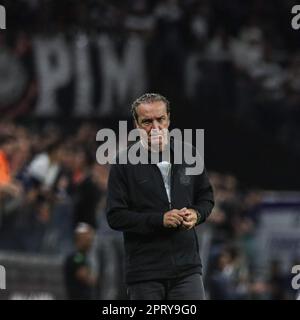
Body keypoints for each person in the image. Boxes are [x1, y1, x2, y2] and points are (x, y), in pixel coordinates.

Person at [106, 93, 214, 300]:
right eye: (147, 121)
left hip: (187, 270)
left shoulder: (189, 155)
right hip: (145, 273)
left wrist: (196, 214)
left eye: (160, 119)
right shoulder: (123, 164)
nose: (155, 127)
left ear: (169, 119)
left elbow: (206, 198)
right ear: (136, 124)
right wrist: (160, 220)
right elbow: (115, 216)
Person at [64, 222, 98, 299]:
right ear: (79, 239)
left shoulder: (83, 256)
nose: (90, 242)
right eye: (87, 238)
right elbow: (88, 278)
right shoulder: (77, 257)